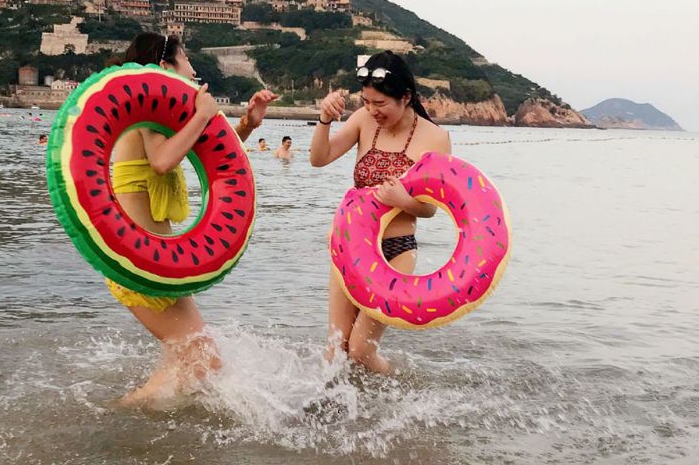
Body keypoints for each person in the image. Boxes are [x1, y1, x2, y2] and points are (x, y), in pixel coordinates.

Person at [107, 32, 278, 405]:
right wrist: (203, 113)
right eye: (187, 60)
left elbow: (211, 156)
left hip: (153, 263)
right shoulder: (147, 108)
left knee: (186, 361)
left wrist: (247, 125)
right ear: (165, 66)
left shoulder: (157, 113)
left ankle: (135, 420)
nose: (194, 68)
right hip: (139, 265)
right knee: (204, 359)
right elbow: (163, 160)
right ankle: (118, 417)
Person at [309, 51, 451, 374]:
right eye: (366, 102)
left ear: (406, 97)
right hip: (350, 246)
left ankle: (400, 389)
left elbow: (430, 209)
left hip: (396, 251)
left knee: (360, 351)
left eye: (380, 104)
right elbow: (319, 158)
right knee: (336, 349)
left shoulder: (436, 138)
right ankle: (337, 415)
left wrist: (404, 199)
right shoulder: (362, 120)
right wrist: (324, 120)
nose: (372, 111)